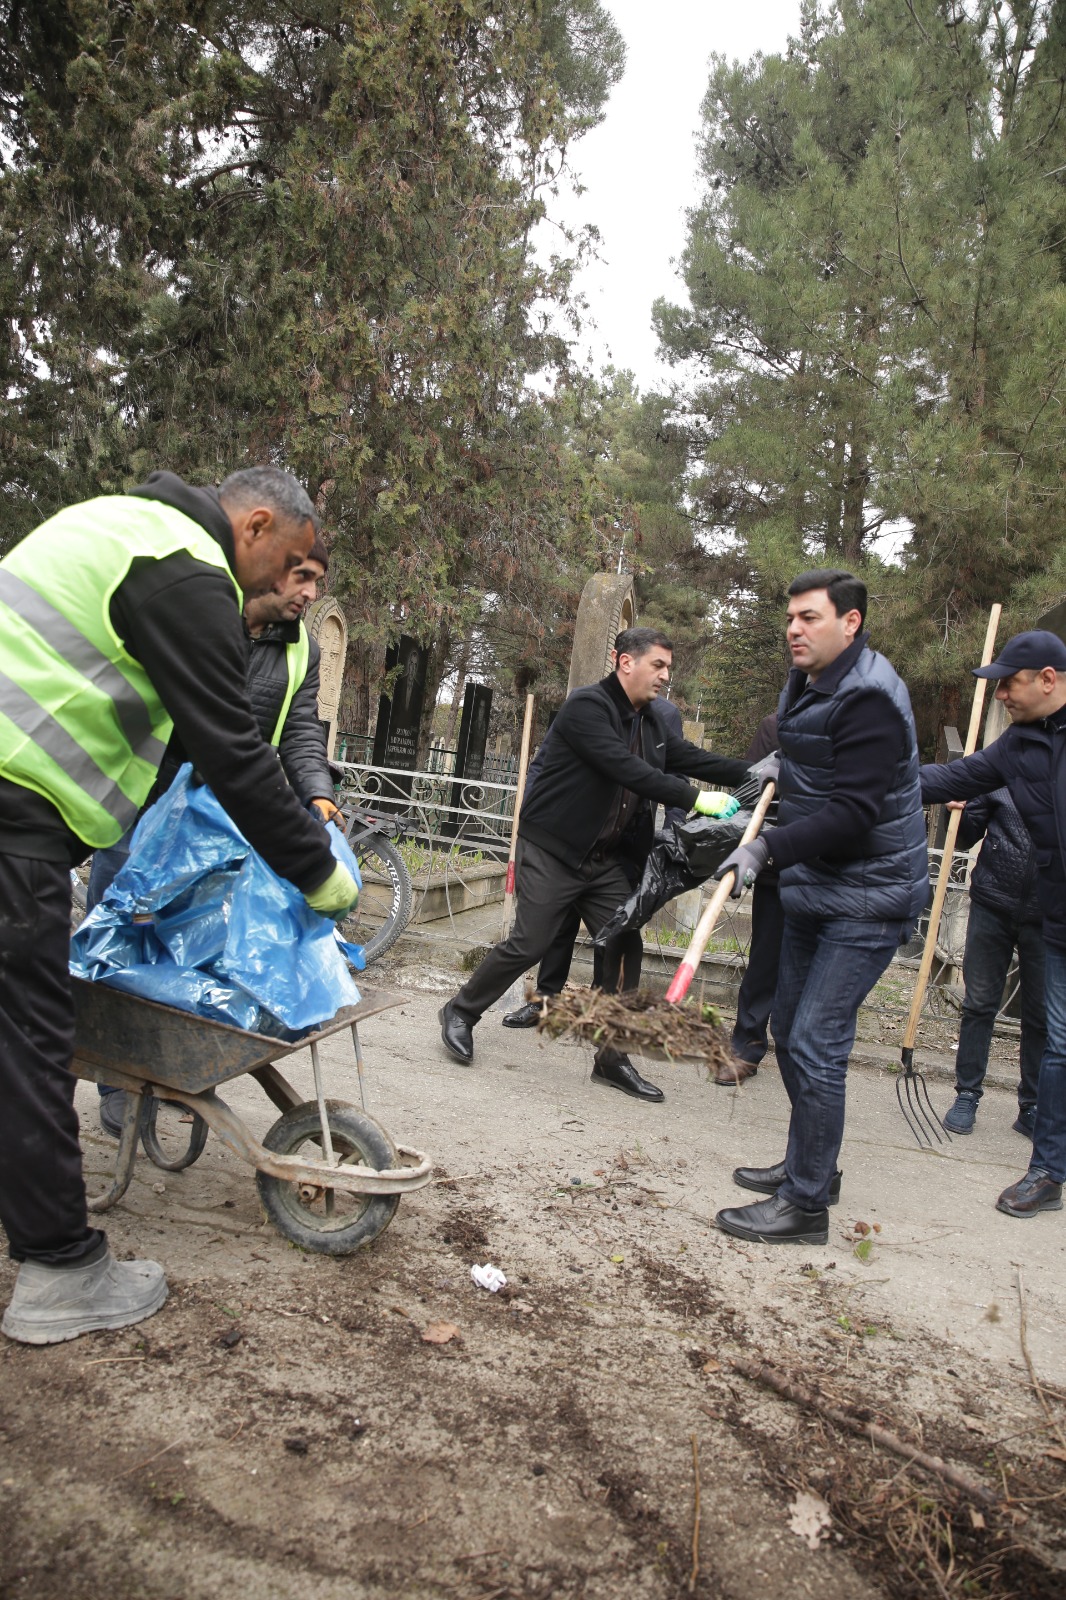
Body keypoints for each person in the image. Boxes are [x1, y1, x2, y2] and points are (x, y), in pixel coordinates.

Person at [0, 468, 359, 1346]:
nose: (290, 582)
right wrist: (321, 875)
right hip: (10, 814)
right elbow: (233, 750)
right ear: (258, 524)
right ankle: (59, 1271)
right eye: (294, 560)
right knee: (31, 1041)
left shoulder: (123, 528)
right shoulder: (186, 566)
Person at [438, 627, 765, 1102]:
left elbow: (693, 757)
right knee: (532, 941)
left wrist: (757, 771)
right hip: (554, 848)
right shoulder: (586, 707)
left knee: (624, 944)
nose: (665, 676)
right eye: (658, 665)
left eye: (668, 668)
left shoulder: (651, 722)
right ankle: (460, 1012)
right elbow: (625, 769)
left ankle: (612, 1058)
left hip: (605, 858)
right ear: (624, 662)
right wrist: (697, 798)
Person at [92, 536, 340, 1135]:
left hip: (212, 824)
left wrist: (316, 788)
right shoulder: (202, 613)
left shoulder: (299, 647)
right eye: (302, 578)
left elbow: (300, 727)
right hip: (142, 805)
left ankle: (169, 1069)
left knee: (188, 952)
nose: (310, 594)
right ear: (266, 569)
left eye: (317, 582)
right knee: (128, 942)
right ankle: (119, 1087)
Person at [713, 570, 929, 1245]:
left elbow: (857, 811)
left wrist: (764, 850)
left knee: (816, 1039)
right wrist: (782, 762)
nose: (794, 630)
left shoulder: (869, 698)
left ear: (851, 623)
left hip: (865, 896)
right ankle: (812, 1166)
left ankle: (806, 1208)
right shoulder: (816, 679)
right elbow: (821, 758)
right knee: (786, 1027)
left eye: (809, 618)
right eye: (790, 619)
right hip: (819, 885)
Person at [919, 630, 1066, 1219]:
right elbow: (945, 781)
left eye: (1010, 681)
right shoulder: (1019, 747)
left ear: (1048, 679)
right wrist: (851, 776)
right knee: (1059, 1043)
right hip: (1050, 920)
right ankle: (1049, 1170)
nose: (1001, 693)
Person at [501, 688, 686, 1027]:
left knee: (615, 925)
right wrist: (532, 810)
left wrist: (675, 827)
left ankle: (602, 1008)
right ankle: (545, 1001)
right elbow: (545, 763)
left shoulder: (665, 716)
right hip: (570, 835)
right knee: (559, 923)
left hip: (623, 843)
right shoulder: (589, 703)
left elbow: (674, 775)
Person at [940, 789, 1044, 1139]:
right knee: (980, 1003)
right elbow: (967, 833)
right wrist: (961, 808)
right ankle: (967, 1094)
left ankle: (1032, 1105)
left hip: (1049, 915)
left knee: (1040, 1013)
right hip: (992, 904)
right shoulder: (1007, 769)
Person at [725, 712, 784, 1087]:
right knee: (766, 960)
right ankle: (746, 1047)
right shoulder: (777, 726)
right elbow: (750, 792)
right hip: (780, 862)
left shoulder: (863, 724)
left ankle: (815, 1056)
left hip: (835, 871)